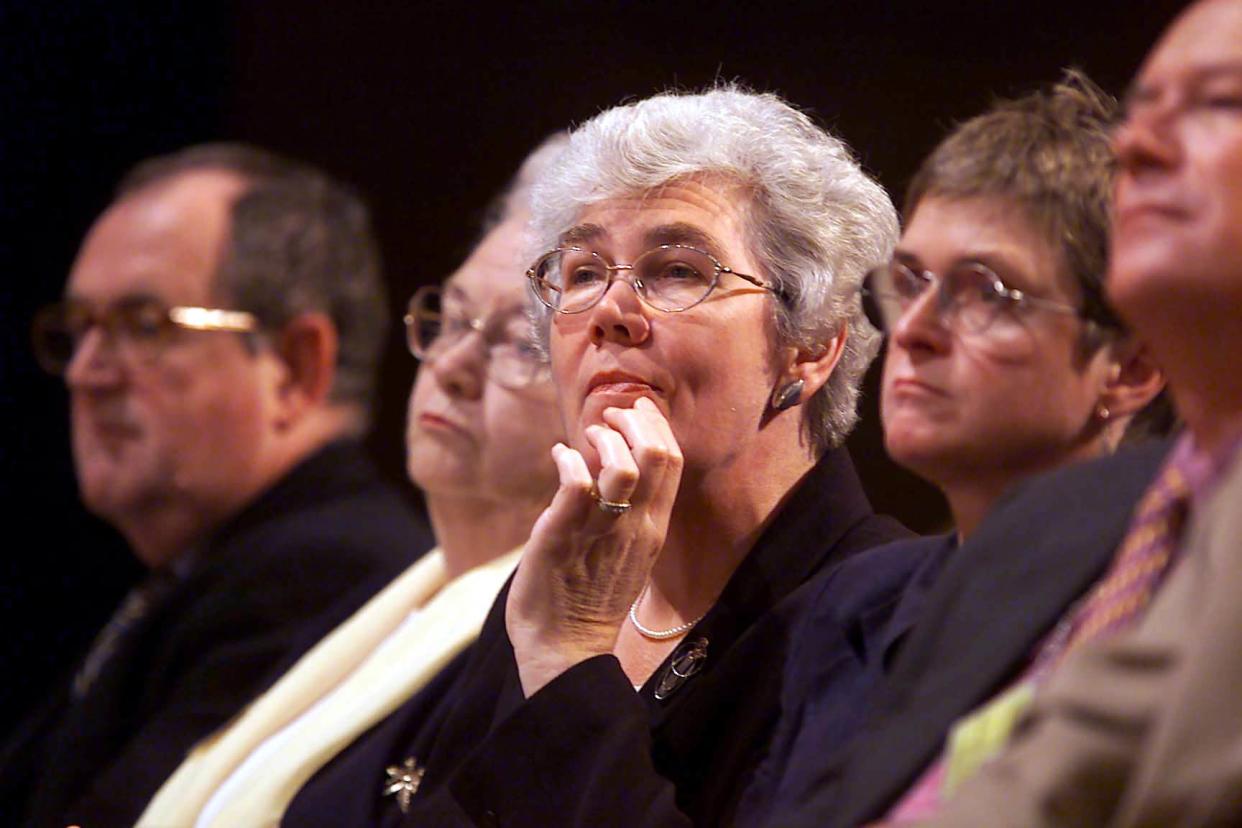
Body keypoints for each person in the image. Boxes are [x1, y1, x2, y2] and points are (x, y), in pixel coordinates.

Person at [278, 85, 912, 827]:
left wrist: (568, 660)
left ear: (810, 345)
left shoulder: (888, 616)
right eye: (581, 273)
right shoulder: (550, 586)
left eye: (677, 270)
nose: (609, 312)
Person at [741, 71, 1169, 826]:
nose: (914, 329)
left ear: (1129, 368)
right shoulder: (852, 604)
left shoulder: (1161, 607)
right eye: (910, 281)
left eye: (988, 294)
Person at [133, 136, 568, 828]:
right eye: (452, 318)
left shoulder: (550, 645)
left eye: (519, 343)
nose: (452, 365)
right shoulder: (395, 593)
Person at [0, 144, 433, 828]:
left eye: (143, 325)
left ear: (294, 368)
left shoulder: (318, 575)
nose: (85, 372)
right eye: (79, 329)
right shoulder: (217, 565)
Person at [905, 1, 1242, 824]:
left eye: (1221, 102)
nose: (1137, 145)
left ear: (1129, 369)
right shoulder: (1199, 491)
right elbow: (1064, 770)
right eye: (1142, 109)